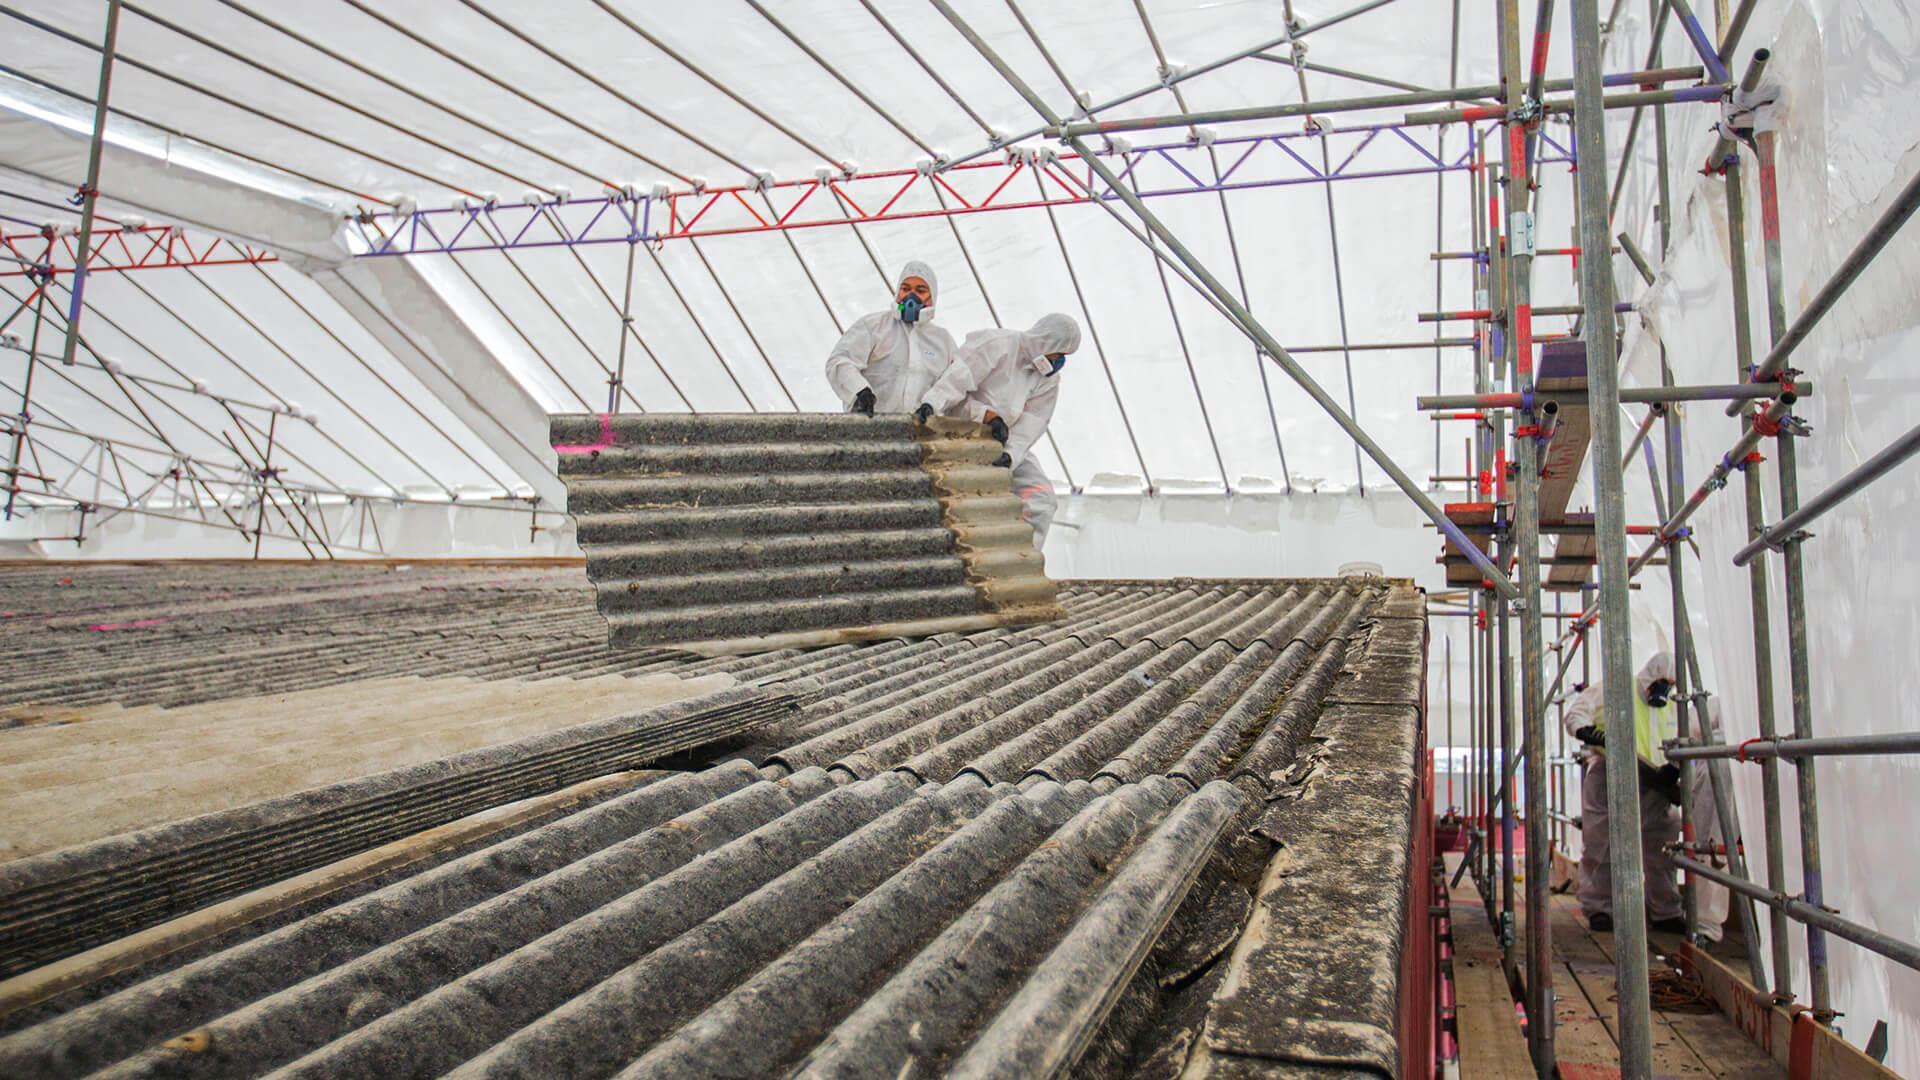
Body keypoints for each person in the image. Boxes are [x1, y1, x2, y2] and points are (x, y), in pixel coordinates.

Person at [912, 313, 1080, 549]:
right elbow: (954, 386)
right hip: (961, 437)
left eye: (1065, 357)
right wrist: (979, 414)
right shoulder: (997, 345)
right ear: (1046, 341)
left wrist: (1010, 455)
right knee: (957, 503)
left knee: (1041, 497)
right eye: (1060, 353)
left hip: (1002, 444)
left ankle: (1021, 560)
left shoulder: (1047, 380)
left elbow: (1033, 424)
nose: (1060, 361)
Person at [1563, 651, 1684, 934]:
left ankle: (1665, 911)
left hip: (1653, 780)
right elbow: (1578, 712)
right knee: (1602, 842)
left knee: (1661, 846)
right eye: (1662, 682)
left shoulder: (1673, 705)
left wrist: (1674, 767)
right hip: (1611, 772)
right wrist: (1587, 732)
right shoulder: (1616, 687)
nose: (1664, 689)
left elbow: (1685, 734)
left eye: (1671, 683)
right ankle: (1600, 909)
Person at [824, 261, 957, 416]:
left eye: (920, 290)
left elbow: (954, 384)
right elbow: (840, 362)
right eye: (905, 289)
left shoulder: (943, 342)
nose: (911, 296)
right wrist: (860, 392)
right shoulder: (874, 326)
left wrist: (933, 404)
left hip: (919, 435)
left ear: (932, 297)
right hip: (868, 430)